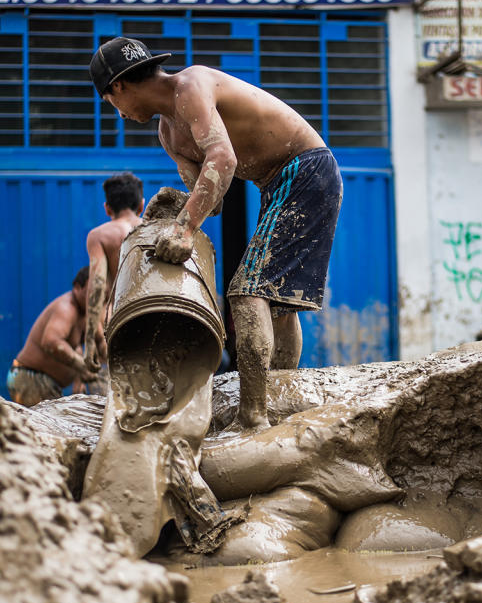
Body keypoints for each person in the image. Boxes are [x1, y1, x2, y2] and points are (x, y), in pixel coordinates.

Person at [89, 37, 342, 430]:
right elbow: (213, 195)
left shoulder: (191, 86)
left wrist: (185, 228)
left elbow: (223, 158)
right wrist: (173, 204)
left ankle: (253, 417)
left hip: (306, 168)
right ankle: (277, 395)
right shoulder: (168, 133)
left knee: (247, 292)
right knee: (276, 302)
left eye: (111, 103)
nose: (119, 115)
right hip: (278, 184)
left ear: (118, 87)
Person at [8, 267, 98, 406]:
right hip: (29, 378)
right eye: (92, 291)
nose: (96, 297)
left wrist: (79, 379)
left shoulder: (83, 314)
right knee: (42, 426)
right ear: (77, 287)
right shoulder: (66, 308)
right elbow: (51, 342)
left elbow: (76, 346)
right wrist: (81, 366)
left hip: (42, 382)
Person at [83, 172, 145, 372]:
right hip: (157, 316)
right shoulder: (156, 230)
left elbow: (97, 286)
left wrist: (90, 339)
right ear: (141, 205)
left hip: (122, 323)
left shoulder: (100, 236)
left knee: (125, 392)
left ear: (107, 208)